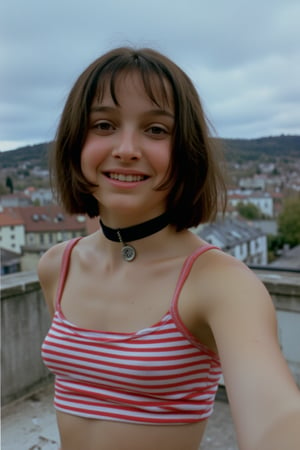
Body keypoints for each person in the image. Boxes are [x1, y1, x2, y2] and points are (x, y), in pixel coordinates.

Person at [38, 46, 300, 450]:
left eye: (156, 129)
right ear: (75, 141)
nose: (126, 148)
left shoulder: (219, 282)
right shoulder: (58, 265)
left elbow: (276, 415)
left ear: (186, 153)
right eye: (104, 124)